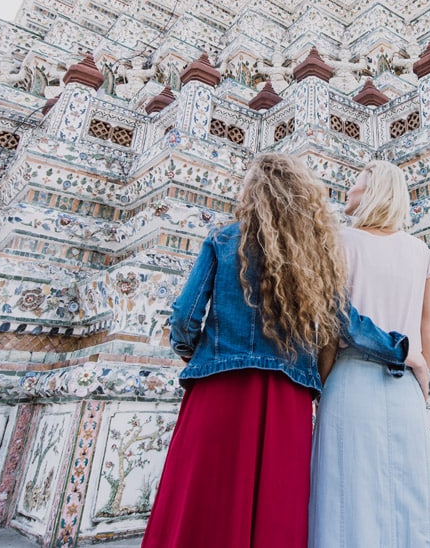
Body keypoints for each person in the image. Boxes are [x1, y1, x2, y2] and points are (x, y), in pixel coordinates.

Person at [143, 153, 404, 548]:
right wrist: (397, 350)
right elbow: (346, 324)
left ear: (253, 191)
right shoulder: (314, 252)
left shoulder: (222, 239)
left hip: (218, 385)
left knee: (204, 501)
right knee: (276, 510)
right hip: (287, 394)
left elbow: (184, 315)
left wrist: (191, 352)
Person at [309, 160, 430, 547]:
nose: (348, 191)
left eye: (355, 184)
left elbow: (330, 326)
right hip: (405, 386)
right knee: (410, 503)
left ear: (371, 192)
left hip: (350, 380)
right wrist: (423, 377)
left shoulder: (339, 243)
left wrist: (322, 381)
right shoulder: (420, 251)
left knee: (347, 502)